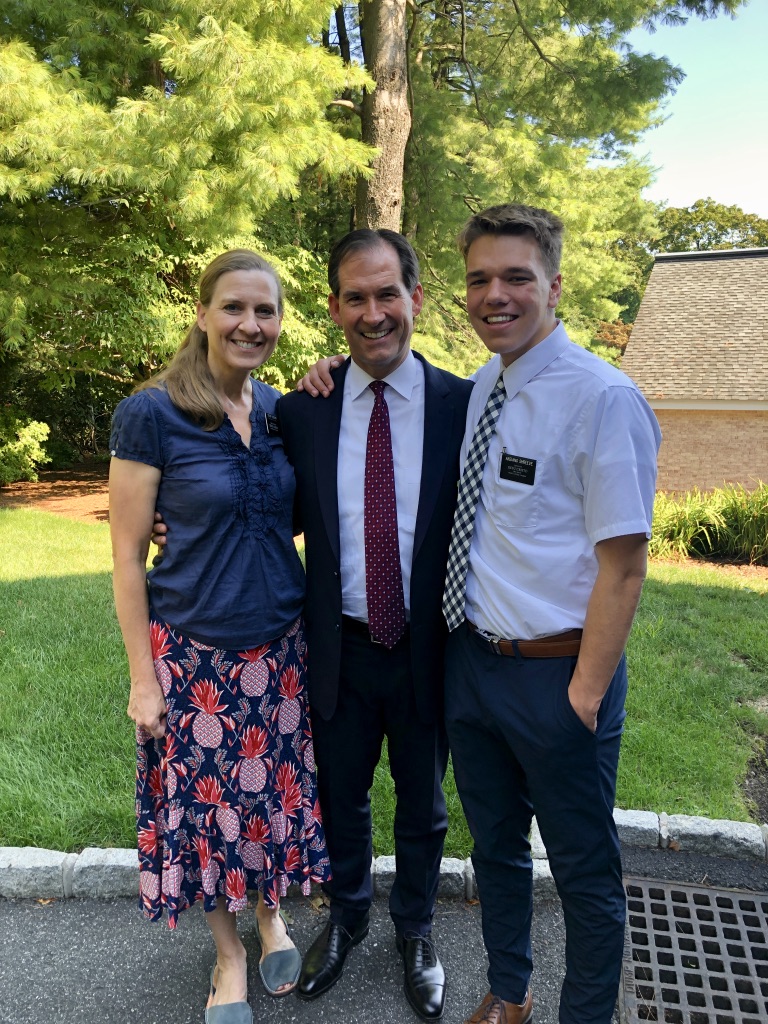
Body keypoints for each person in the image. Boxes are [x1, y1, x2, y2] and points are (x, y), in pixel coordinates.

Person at [440, 204, 661, 1024]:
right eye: (479, 279)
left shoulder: (603, 399)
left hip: (560, 676)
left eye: (516, 277)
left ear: (555, 286)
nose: (494, 295)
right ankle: (510, 992)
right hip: (475, 667)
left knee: (584, 872)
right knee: (495, 849)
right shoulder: (478, 390)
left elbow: (624, 566)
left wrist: (586, 694)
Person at [109, 249, 331, 1024]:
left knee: (269, 800)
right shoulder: (152, 413)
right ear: (202, 313)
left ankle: (271, 915)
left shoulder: (278, 412)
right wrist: (143, 679)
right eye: (234, 306)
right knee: (208, 815)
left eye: (265, 310)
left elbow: (282, 515)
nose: (250, 323)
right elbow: (127, 559)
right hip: (194, 654)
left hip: (281, 649)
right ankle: (229, 952)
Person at [278, 229, 473, 1021]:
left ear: (415, 298)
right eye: (355, 298)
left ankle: (415, 928)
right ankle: (349, 916)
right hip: (341, 649)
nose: (373, 312)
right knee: (342, 797)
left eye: (387, 293)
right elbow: (259, 500)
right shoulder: (302, 410)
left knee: (424, 804)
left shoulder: (465, 405)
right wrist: (167, 516)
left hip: (429, 648)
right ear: (334, 308)